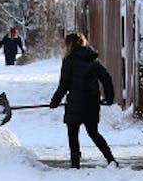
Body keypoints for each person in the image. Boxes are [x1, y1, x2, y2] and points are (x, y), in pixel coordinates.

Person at [50, 32, 117, 168]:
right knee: (93, 132)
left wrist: (55, 101)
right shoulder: (93, 59)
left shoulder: (69, 60)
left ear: (69, 45)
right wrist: (109, 98)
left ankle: (75, 165)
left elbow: (64, 84)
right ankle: (111, 159)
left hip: (76, 102)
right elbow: (106, 78)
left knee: (73, 133)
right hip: (92, 102)